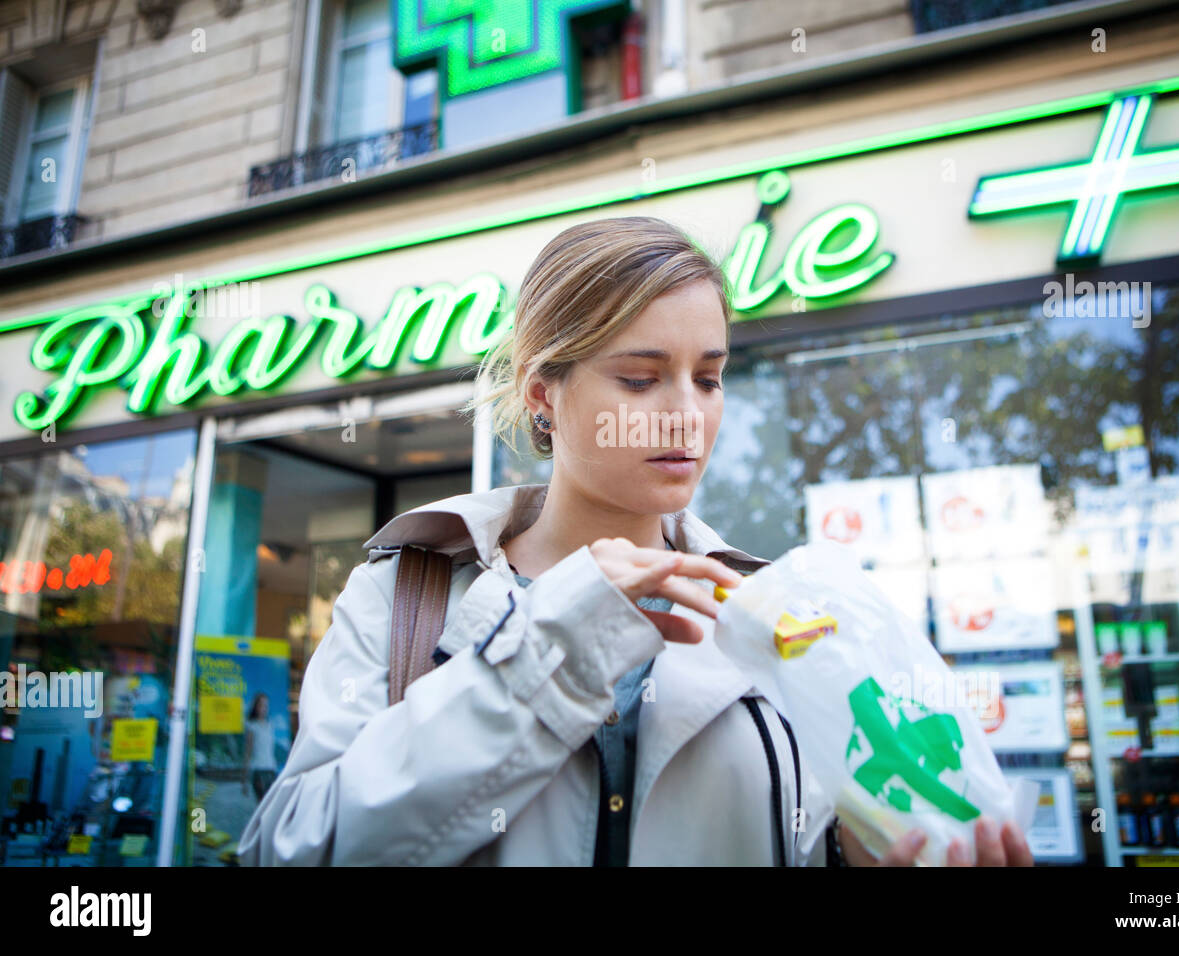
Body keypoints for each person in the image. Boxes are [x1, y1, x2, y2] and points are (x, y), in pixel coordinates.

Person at [237, 216, 1033, 867]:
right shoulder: (402, 594)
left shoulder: (776, 617)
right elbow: (290, 849)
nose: (687, 412)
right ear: (545, 395)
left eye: (710, 377)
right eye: (641, 378)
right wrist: (552, 645)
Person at [242, 693, 277, 802]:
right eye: (261, 705)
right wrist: (245, 778)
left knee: (271, 803)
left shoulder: (270, 725)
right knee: (262, 803)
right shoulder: (252, 726)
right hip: (258, 769)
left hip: (271, 768)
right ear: (256, 707)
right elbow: (248, 751)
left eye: (266, 705)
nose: (264, 708)